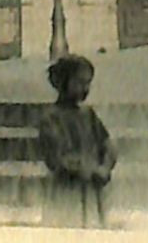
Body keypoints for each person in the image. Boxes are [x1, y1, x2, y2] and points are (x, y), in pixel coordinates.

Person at [37, 54, 117, 228]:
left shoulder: (88, 115)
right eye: (79, 82)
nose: (85, 88)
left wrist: (105, 167)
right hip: (66, 189)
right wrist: (84, 170)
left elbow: (108, 144)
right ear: (64, 82)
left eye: (88, 83)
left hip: (91, 189)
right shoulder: (51, 118)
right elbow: (55, 158)